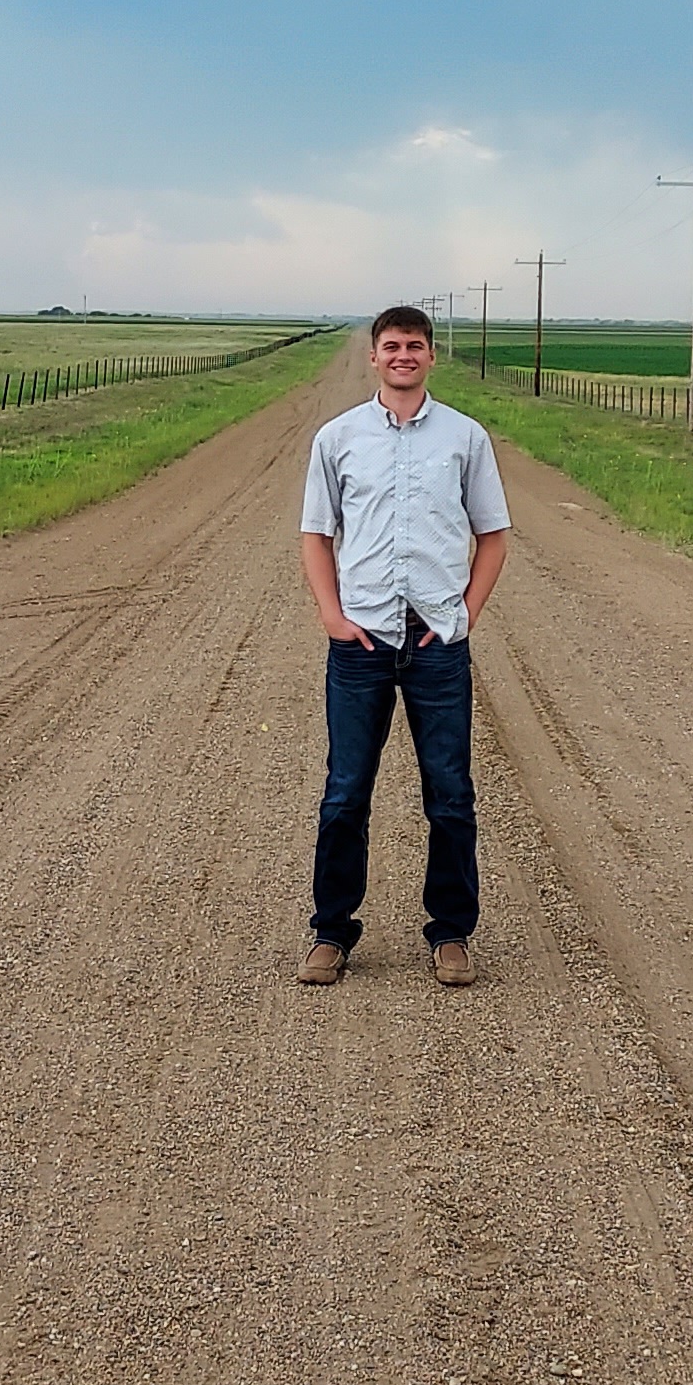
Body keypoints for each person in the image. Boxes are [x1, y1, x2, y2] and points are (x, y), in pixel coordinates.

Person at [296, 305, 510, 987]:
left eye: (414, 345)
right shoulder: (338, 437)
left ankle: (450, 933)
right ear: (373, 355)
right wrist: (331, 615)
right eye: (391, 345)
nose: (402, 356)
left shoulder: (464, 437)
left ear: (430, 354)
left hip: (436, 640)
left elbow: (493, 535)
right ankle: (331, 933)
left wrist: (464, 615)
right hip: (360, 638)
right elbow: (315, 533)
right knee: (344, 794)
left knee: (449, 793)